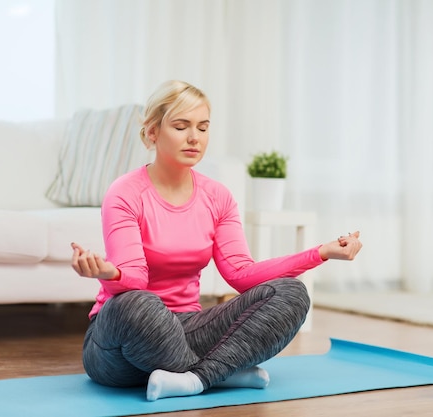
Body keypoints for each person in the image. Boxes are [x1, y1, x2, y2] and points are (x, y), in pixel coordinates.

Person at [71, 80, 362, 402]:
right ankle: (218, 373)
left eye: (203, 127)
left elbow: (241, 274)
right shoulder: (125, 192)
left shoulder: (217, 196)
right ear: (153, 133)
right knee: (137, 303)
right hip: (119, 347)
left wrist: (320, 252)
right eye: (181, 127)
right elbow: (136, 279)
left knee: (291, 292)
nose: (194, 137)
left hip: (187, 329)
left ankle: (195, 378)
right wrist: (109, 274)